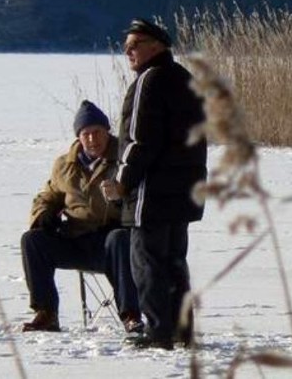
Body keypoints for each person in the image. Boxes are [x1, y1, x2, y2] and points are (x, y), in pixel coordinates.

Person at [101, 18, 207, 350]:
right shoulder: (184, 78)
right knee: (175, 260)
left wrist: (121, 182)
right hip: (185, 188)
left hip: (153, 190)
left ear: (157, 46)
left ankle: (159, 331)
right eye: (126, 46)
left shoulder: (149, 80)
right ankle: (182, 329)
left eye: (135, 44)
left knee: (147, 263)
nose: (128, 51)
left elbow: (138, 141)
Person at [20, 100, 143, 334]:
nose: (92, 139)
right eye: (85, 134)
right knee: (32, 240)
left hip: (110, 240)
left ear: (107, 131)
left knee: (119, 239)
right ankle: (46, 313)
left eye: (97, 132)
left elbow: (140, 198)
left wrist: (119, 198)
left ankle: (131, 315)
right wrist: (44, 214)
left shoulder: (124, 161)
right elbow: (47, 196)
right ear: (79, 137)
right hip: (74, 238)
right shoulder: (64, 166)